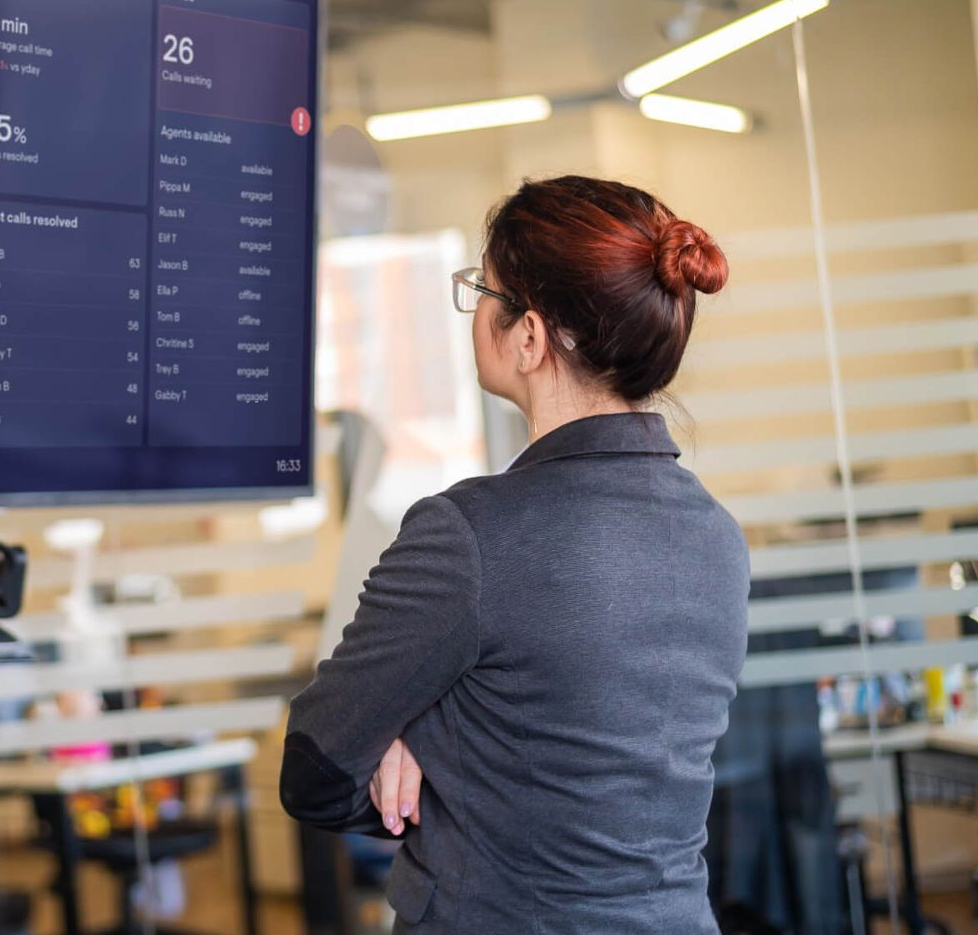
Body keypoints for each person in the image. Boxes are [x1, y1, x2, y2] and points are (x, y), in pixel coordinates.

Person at [280, 176, 749, 932]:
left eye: (483, 291)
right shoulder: (716, 537)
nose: (474, 312)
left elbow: (315, 770)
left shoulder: (468, 535)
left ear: (528, 337)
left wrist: (417, 762)